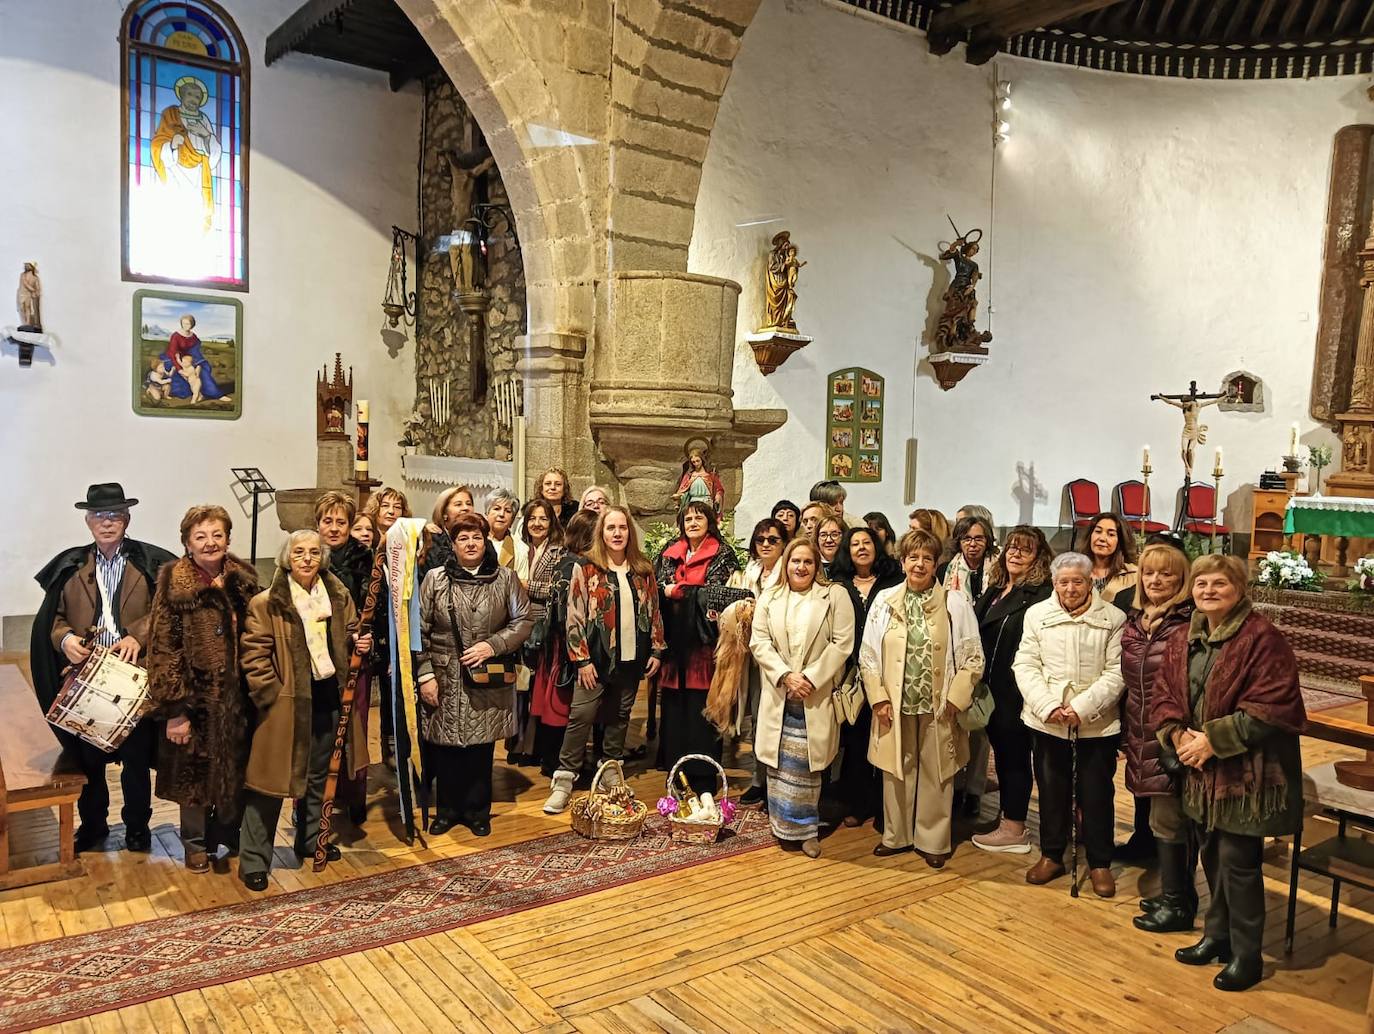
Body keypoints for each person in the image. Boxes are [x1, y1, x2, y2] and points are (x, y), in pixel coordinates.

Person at [1153, 555, 1305, 992]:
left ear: (1239, 589)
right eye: (1201, 583)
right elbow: (1165, 692)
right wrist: (1178, 736)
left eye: (1219, 583)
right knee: (1211, 855)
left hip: (1249, 775)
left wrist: (1211, 741)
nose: (1208, 591)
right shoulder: (1185, 636)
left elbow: (1273, 705)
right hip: (1200, 772)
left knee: (1239, 863)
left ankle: (1247, 954)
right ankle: (1216, 937)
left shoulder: (1264, 638)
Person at [30, 483, 176, 853]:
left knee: (136, 762)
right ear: (88, 521)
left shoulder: (148, 564)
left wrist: (138, 636)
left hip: (132, 676)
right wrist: (66, 641)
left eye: (114, 515)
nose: (107, 522)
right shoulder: (72, 566)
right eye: (99, 516)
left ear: (127, 520)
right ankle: (94, 826)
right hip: (86, 678)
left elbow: (164, 611)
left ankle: (138, 829)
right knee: (89, 760)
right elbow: (54, 619)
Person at [237, 531, 372, 890]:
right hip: (285, 706)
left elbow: (350, 635)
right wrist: (271, 694)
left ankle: (313, 839)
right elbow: (254, 655)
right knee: (268, 783)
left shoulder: (339, 596)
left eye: (314, 552)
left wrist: (359, 641)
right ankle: (253, 860)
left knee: (319, 777)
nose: (307, 558)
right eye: (299, 552)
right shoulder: (267, 603)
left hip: (328, 696)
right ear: (287, 557)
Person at [859, 530, 984, 868]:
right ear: (902, 561)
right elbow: (868, 654)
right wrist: (879, 698)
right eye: (913, 557)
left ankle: (933, 839)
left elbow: (973, 656)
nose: (919, 564)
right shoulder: (884, 601)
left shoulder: (955, 603)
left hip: (939, 703)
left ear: (936, 563)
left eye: (927, 558)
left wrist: (957, 697)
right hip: (894, 704)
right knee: (897, 767)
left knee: (937, 770)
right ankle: (896, 835)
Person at [146, 505, 259, 872]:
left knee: (235, 771)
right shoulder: (174, 586)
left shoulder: (242, 579)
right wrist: (175, 710)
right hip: (193, 701)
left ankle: (225, 833)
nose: (210, 543)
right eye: (200, 537)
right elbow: (163, 649)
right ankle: (195, 844)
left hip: (237, 698)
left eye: (217, 535)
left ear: (228, 539)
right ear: (187, 544)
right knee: (192, 777)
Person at [1014, 552, 1126, 897]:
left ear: (1091, 581)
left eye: (1078, 581)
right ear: (1054, 583)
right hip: (1047, 720)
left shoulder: (1113, 618)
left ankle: (1099, 862)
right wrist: (1048, 705)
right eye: (1064, 581)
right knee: (1051, 790)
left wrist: (1081, 707)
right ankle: (1052, 855)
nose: (1071, 588)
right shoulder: (1037, 615)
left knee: (1097, 793)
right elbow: (1026, 664)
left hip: (1095, 722)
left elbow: (1116, 672)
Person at [415, 513, 533, 836]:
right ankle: (448, 810)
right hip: (444, 675)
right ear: (452, 545)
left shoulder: (504, 578)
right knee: (447, 746)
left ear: (485, 541)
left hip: (486, 674)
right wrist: (425, 674)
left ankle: (478, 811)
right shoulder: (435, 580)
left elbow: (523, 621)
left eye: (476, 537)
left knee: (481, 749)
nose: (470, 543)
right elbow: (419, 630)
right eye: (463, 538)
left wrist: (492, 645)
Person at [545, 507, 665, 813]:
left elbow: (653, 612)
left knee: (619, 716)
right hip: (595, 659)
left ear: (630, 532)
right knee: (581, 716)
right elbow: (574, 616)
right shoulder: (585, 568)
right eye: (610, 527)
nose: (617, 533)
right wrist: (581, 660)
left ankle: (611, 768)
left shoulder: (643, 569)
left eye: (622, 527)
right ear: (601, 532)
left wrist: (655, 649)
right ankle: (564, 779)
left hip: (631, 658)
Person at [750, 538, 855, 857]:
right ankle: (781, 825)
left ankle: (807, 829)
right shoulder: (771, 594)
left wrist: (809, 677)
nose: (801, 567)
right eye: (795, 560)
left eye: (808, 561)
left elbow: (842, 643)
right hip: (781, 691)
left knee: (807, 766)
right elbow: (759, 641)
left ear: (816, 566)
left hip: (814, 692)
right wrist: (785, 675)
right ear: (786, 563)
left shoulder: (834, 596)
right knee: (781, 763)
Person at [1120, 542, 1196, 931]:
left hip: (1171, 734)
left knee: (1170, 820)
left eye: (1166, 573)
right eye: (1149, 572)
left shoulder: (1188, 622)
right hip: (1139, 728)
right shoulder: (1137, 619)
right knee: (1157, 818)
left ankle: (1178, 904)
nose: (1156, 580)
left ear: (1182, 578)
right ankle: (1174, 894)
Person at [969, 526, 1053, 855]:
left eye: (1025, 550)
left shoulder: (1041, 595)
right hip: (990, 688)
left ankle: (1014, 828)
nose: (1015, 554)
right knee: (1003, 757)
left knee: (1014, 758)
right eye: (1012, 548)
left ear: (1039, 557)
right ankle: (1008, 819)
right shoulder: (994, 590)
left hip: (1017, 689)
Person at [655, 500, 741, 791]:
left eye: (699, 518)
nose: (692, 522)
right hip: (672, 643)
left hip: (704, 646)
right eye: (688, 518)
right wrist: (676, 591)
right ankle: (676, 772)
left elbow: (719, 594)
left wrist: (678, 590)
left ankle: (703, 776)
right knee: (675, 710)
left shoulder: (723, 553)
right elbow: (654, 586)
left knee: (701, 710)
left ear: (710, 521)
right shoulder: (669, 551)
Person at [828, 525, 902, 828]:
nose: (861, 548)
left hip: (888, 669)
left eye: (867, 542)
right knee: (856, 739)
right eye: (855, 543)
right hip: (849, 671)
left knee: (887, 737)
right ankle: (857, 802)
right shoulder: (839, 583)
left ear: (877, 546)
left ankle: (887, 808)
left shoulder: (894, 581)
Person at [714, 517, 788, 807]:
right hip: (752, 657)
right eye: (761, 540)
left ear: (783, 543)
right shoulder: (750, 572)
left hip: (779, 656)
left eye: (773, 540)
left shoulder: (787, 572)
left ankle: (776, 783)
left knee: (775, 721)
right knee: (757, 720)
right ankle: (759, 780)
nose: (766, 544)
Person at [315, 491, 375, 824]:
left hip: (353, 656)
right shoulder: (306, 554)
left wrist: (364, 637)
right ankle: (311, 800)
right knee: (316, 730)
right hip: (313, 658)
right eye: (328, 521)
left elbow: (372, 607)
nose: (334, 528)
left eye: (341, 522)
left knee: (355, 727)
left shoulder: (364, 558)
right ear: (317, 523)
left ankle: (354, 796)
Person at [525, 504, 588, 776]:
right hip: (563, 645)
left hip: (558, 643)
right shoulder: (573, 563)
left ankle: (554, 761)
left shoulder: (565, 559)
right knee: (559, 706)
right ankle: (555, 763)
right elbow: (564, 610)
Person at [159, 314, 228, 401]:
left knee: (202, 370)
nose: (185, 326)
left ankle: (216, 394)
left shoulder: (193, 336)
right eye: (184, 323)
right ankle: (196, 393)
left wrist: (197, 363)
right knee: (180, 376)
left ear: (192, 325)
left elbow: (195, 351)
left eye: (188, 324)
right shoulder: (175, 336)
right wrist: (179, 368)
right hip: (175, 359)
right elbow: (173, 353)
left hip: (189, 358)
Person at [1078, 512, 1139, 601]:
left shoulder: (1133, 575)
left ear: (1120, 540)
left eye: (1111, 534)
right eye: (1098, 531)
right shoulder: (1074, 570)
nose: (1102, 538)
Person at [942, 515, 996, 602]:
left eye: (978, 539)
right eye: (967, 539)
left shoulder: (999, 571)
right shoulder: (944, 570)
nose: (973, 544)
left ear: (987, 541)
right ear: (959, 542)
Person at [486, 488, 529, 581]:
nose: (501, 514)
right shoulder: (475, 542)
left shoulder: (520, 548)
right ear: (487, 513)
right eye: (496, 508)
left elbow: (521, 586)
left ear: (512, 519)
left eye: (508, 511)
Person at [673, 445, 725, 516]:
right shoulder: (689, 476)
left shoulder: (710, 475)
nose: (696, 464)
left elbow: (719, 489)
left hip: (707, 503)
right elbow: (683, 491)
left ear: (702, 460)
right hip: (693, 504)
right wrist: (679, 498)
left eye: (698, 461)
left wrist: (718, 496)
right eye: (693, 462)